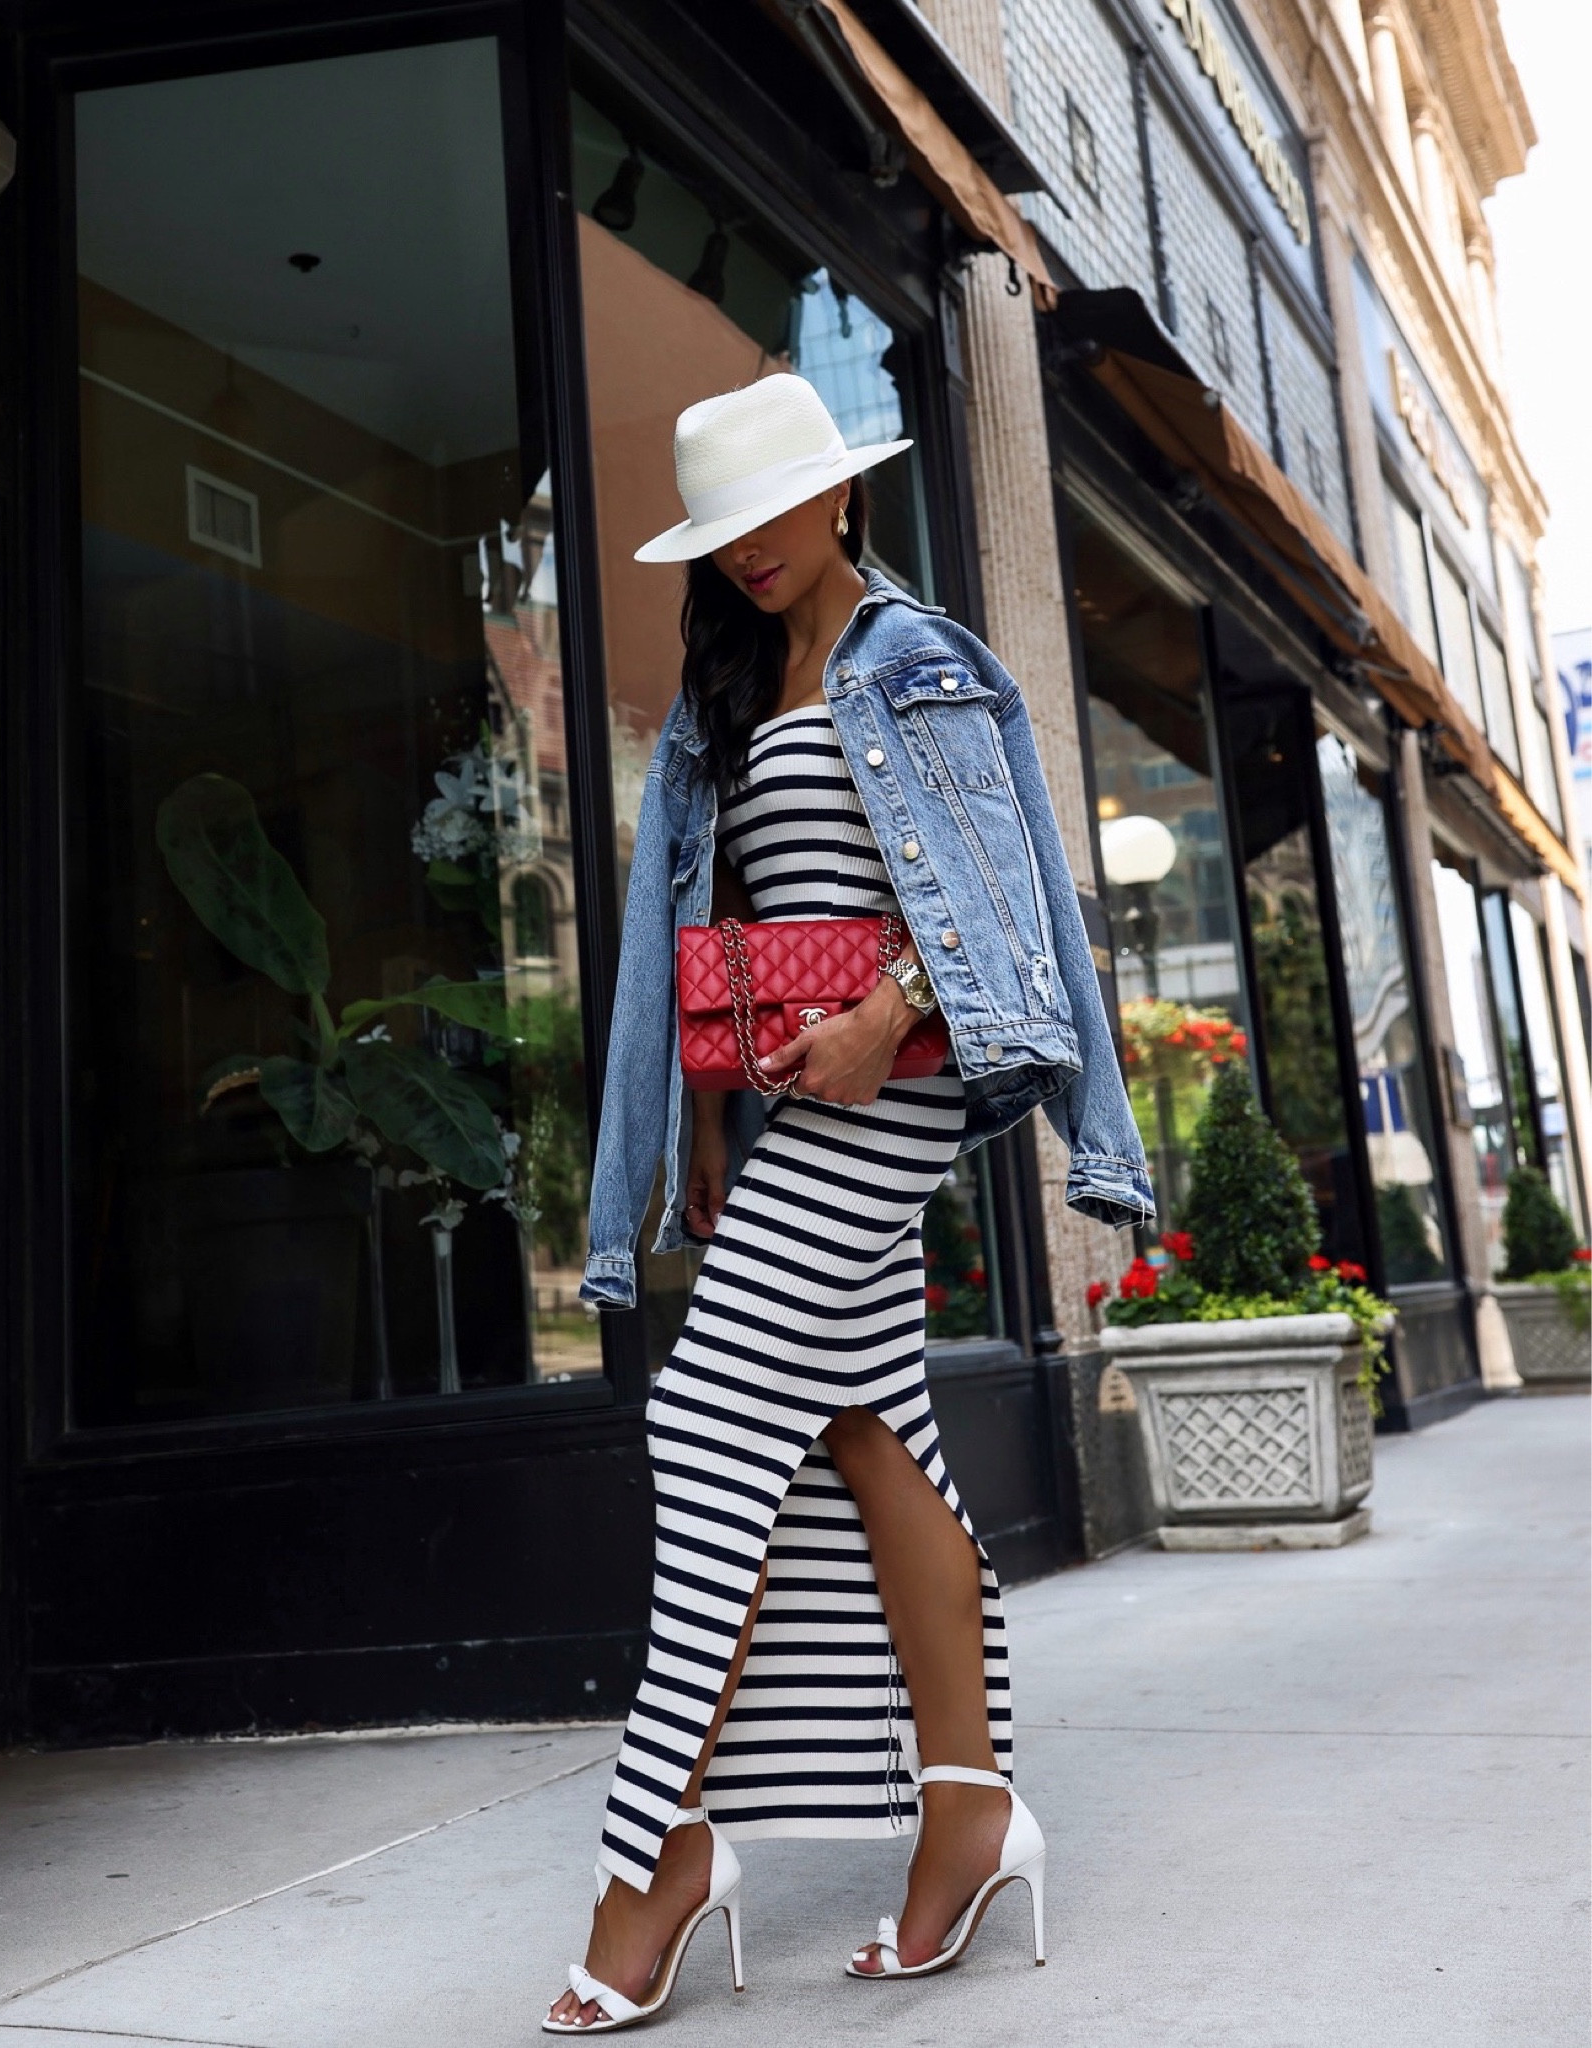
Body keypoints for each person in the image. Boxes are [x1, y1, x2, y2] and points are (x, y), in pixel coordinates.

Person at [546, 374, 1151, 2032]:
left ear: (838, 502)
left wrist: (888, 1011)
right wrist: (714, 1128)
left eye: (768, 516)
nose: (746, 553)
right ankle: (968, 1810)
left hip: (906, 1074)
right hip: (799, 1100)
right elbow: (716, 948)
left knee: (701, 1427)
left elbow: (1008, 888)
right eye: (717, 531)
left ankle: (656, 1859)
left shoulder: (923, 663)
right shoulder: (720, 697)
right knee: (872, 1432)